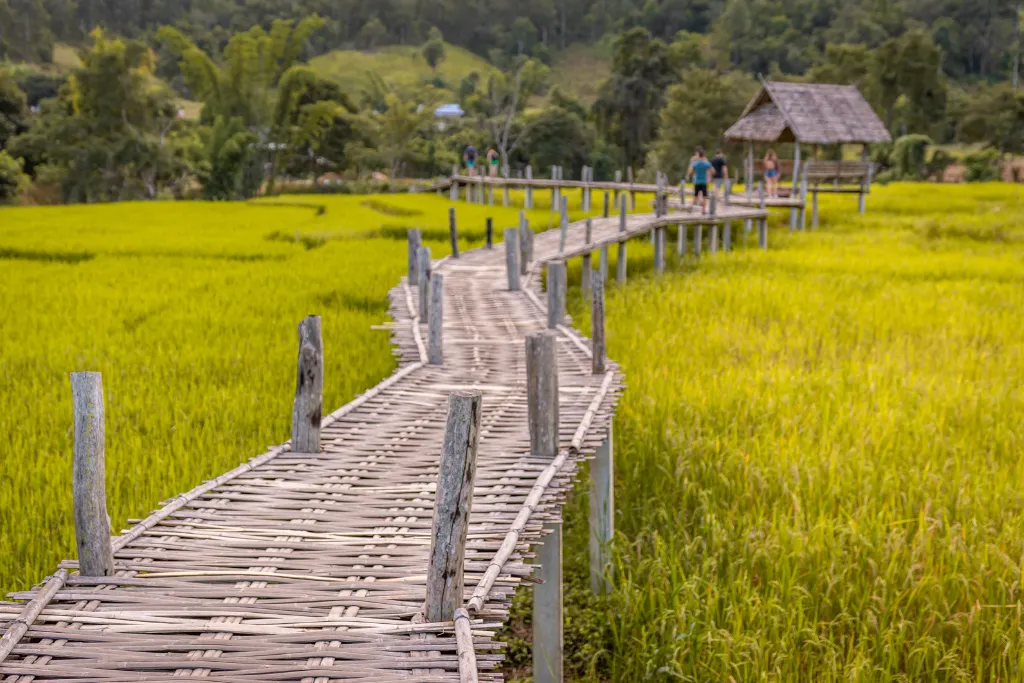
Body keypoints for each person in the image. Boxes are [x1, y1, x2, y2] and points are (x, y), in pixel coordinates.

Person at [687, 147, 714, 213]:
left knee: (695, 196)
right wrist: (709, 175)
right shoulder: (706, 163)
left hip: (697, 181)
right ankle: (703, 210)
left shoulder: (695, 163)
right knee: (704, 196)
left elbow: (689, 171)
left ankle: (690, 207)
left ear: (698, 154)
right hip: (704, 182)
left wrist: (694, 171)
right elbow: (713, 171)